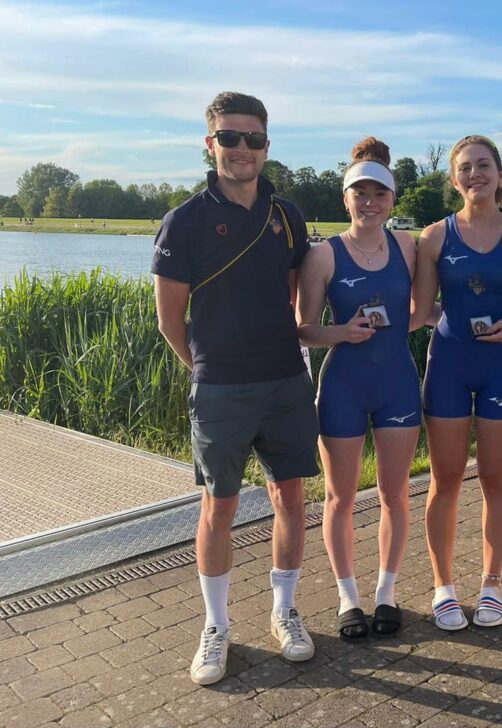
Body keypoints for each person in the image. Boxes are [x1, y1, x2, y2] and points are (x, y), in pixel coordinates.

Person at [152, 92, 319, 686]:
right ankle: (216, 626)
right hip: (221, 386)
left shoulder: (287, 215)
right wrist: (202, 367)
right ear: (210, 143)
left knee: (291, 501)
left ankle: (283, 611)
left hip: (284, 381)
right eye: (229, 138)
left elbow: (295, 295)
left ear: (266, 146)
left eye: (252, 139)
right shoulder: (186, 220)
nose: (241, 149)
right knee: (219, 507)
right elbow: (171, 318)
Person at [412, 135, 502, 630]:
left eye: (483, 166)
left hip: (501, 366)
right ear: (454, 180)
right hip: (448, 362)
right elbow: (422, 311)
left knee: (495, 478)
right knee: (444, 479)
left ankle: (491, 583)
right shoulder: (434, 237)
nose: (475, 175)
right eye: (465, 168)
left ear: (500, 174)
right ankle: (443, 586)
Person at [296, 137, 419, 640]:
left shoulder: (410, 246)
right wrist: (342, 332)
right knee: (339, 497)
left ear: (392, 201)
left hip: (397, 384)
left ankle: (386, 592)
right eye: (359, 194)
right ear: (345, 199)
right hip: (344, 385)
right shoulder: (322, 255)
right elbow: (303, 329)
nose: (369, 203)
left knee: (395, 494)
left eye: (379, 194)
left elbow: (426, 306)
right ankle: (348, 597)